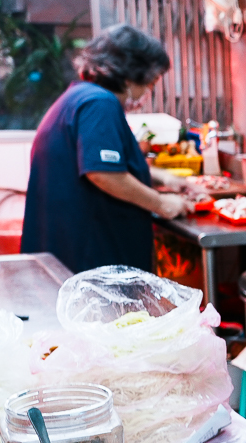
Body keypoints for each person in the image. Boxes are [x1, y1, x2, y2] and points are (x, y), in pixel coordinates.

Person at [21, 24, 190, 273]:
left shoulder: (78, 97)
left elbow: (104, 163)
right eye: (151, 82)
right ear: (133, 73)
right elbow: (103, 173)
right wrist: (161, 203)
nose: (147, 92)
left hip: (70, 253)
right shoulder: (100, 104)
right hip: (90, 261)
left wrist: (164, 177)